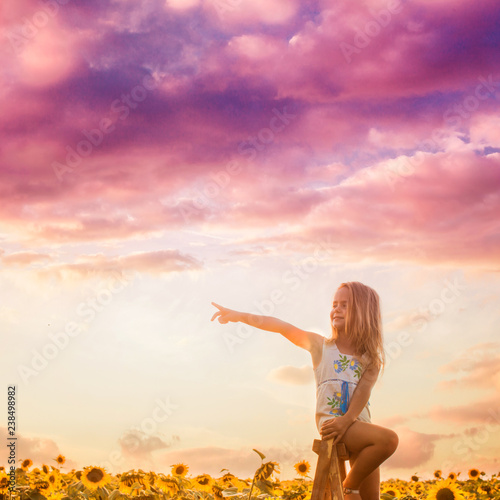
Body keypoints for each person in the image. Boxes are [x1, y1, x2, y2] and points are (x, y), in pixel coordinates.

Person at [211, 281, 398, 500]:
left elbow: (362, 394)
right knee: (389, 440)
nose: (336, 309)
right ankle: (349, 487)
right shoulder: (321, 347)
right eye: (334, 304)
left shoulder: (371, 359)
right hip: (332, 425)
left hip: (357, 427)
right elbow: (281, 326)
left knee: (372, 497)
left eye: (345, 305)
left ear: (364, 312)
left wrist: (348, 420)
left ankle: (352, 486)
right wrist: (239, 315)